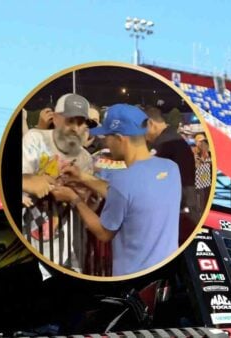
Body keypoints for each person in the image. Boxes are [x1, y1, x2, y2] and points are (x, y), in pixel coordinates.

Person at [51, 104, 181, 276]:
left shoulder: (123, 181)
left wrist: (74, 199)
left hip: (133, 277)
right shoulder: (171, 168)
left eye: (107, 137)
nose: (106, 142)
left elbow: (104, 233)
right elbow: (130, 196)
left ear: (120, 138)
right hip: (168, 272)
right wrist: (81, 177)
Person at [22, 93, 94, 271]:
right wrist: (34, 181)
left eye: (80, 122)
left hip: (65, 249)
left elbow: (86, 203)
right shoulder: (35, 139)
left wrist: (76, 195)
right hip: (27, 242)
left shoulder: (85, 158)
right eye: (70, 120)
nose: (75, 128)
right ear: (55, 118)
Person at [144, 106, 198, 244]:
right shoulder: (174, 139)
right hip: (187, 205)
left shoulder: (165, 143)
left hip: (178, 210)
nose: (143, 136)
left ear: (150, 123)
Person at [194, 133, 212, 215]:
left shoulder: (208, 152)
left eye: (203, 141)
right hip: (197, 182)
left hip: (206, 180)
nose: (202, 144)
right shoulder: (194, 152)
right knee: (199, 200)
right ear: (196, 143)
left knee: (206, 198)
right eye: (200, 142)